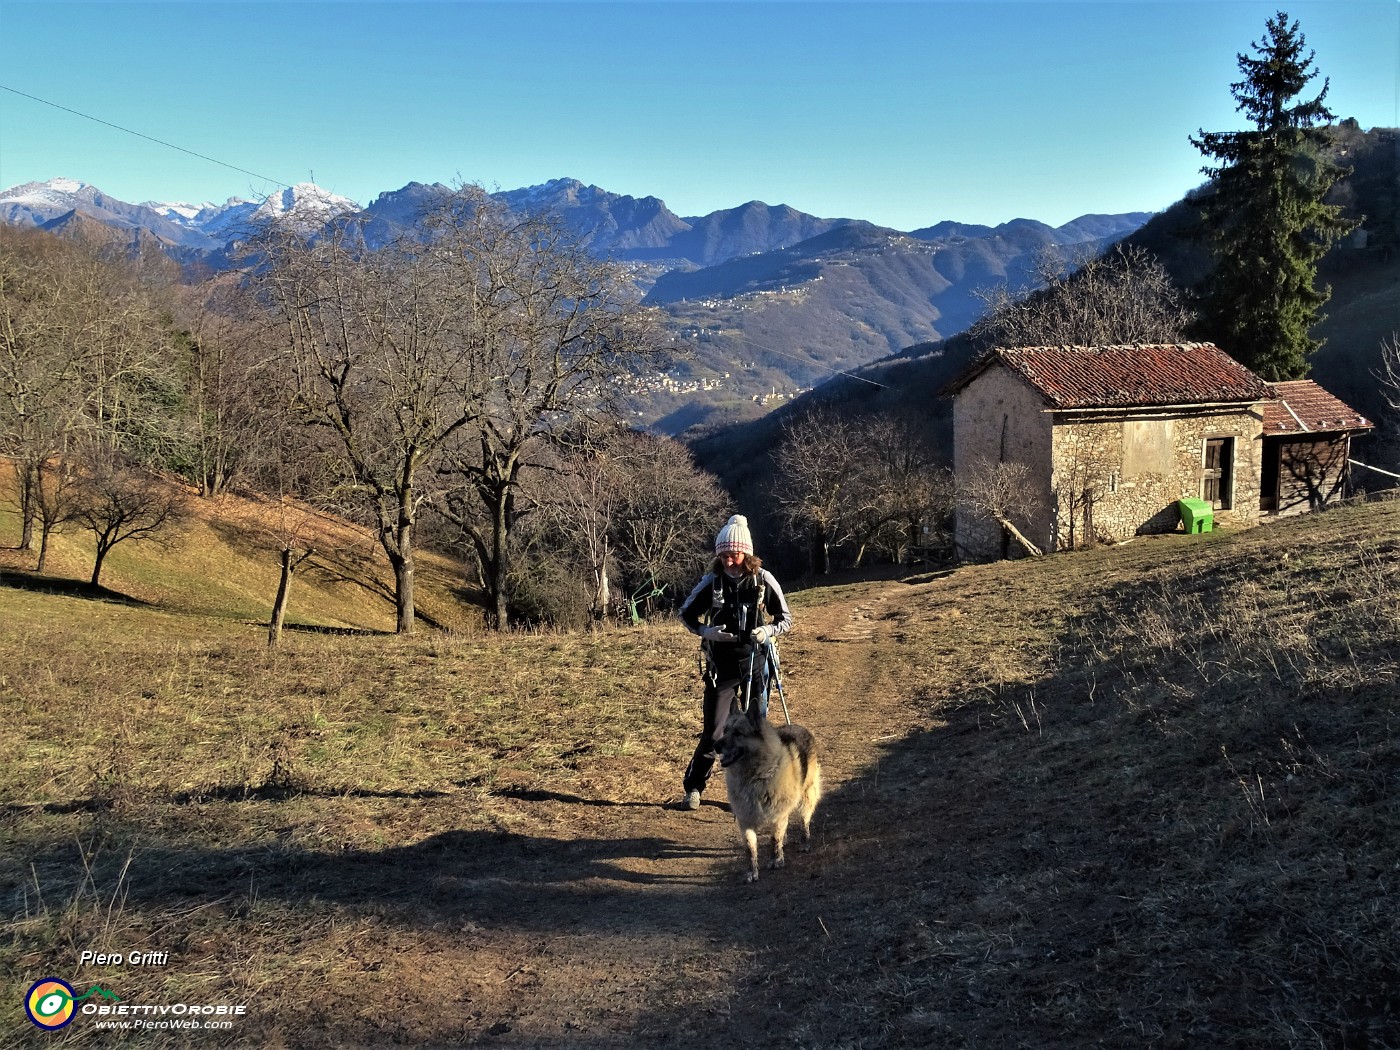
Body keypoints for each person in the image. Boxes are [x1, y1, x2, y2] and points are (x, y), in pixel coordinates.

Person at [677, 514, 793, 810]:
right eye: (724, 555)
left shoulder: (763, 580)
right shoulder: (712, 583)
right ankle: (694, 787)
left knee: (755, 730)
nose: (730, 561)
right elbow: (685, 614)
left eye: (735, 555)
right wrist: (706, 631)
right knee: (715, 732)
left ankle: (754, 789)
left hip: (756, 665)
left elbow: (785, 619)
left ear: (747, 553)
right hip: (722, 670)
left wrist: (767, 631)